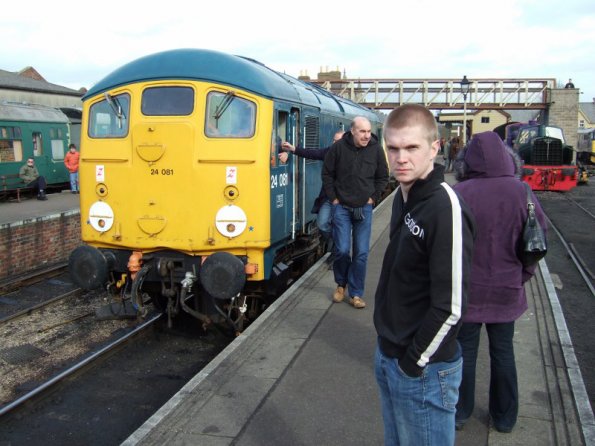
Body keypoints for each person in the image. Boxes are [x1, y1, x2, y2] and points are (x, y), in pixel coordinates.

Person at [373, 104, 475, 445]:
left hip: (422, 370)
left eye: (412, 148)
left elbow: (452, 307)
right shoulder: (406, 196)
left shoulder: (444, 207)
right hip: (391, 354)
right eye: (393, 148)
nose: (401, 158)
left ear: (434, 148)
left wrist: (412, 363)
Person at [452, 131, 547, 433]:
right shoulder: (521, 191)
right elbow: (539, 236)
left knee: (464, 352)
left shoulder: (458, 193)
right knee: (503, 352)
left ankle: (459, 412)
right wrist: (522, 275)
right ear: (506, 157)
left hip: (467, 289)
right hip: (507, 288)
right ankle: (504, 418)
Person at [322, 116, 388, 309]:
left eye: (369, 132)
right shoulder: (338, 149)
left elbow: (383, 177)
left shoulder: (376, 150)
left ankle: (356, 293)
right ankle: (341, 284)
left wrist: (372, 198)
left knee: (361, 253)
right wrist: (333, 198)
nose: (367, 136)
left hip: (364, 207)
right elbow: (327, 173)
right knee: (342, 250)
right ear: (353, 131)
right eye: (363, 132)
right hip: (341, 206)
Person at [279, 130, 344, 264]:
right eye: (334, 140)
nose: (334, 143)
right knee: (322, 224)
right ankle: (338, 243)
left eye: (338, 141)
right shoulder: (329, 152)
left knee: (340, 225)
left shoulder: (352, 155)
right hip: (328, 197)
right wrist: (293, 149)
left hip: (344, 199)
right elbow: (312, 153)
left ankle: (337, 252)